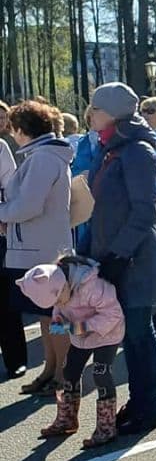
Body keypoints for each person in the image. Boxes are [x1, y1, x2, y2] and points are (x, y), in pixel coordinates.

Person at [85, 83, 156, 435]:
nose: (90, 112)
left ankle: (149, 406)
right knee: (131, 337)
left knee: (138, 335)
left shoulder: (136, 152)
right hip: (116, 257)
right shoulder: (111, 148)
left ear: (113, 113)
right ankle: (140, 401)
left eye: (96, 107)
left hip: (136, 260)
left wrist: (119, 253)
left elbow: (143, 212)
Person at [0, 100, 74, 394]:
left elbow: (29, 205)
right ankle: (51, 369)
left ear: (22, 129)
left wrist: (2, 213)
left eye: (13, 126)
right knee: (46, 315)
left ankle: (64, 373)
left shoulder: (43, 158)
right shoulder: (40, 155)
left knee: (57, 317)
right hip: (36, 248)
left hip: (43, 250)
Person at [20, 255, 125, 447]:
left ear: (64, 285)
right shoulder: (59, 291)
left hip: (107, 333)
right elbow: (58, 311)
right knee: (69, 371)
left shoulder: (92, 285)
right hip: (80, 335)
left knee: (101, 373)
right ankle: (67, 418)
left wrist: (80, 327)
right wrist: (58, 321)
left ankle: (106, 426)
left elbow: (114, 314)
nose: (58, 304)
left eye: (59, 299)